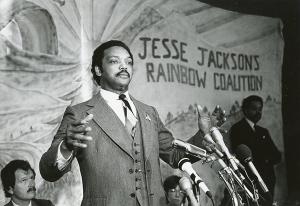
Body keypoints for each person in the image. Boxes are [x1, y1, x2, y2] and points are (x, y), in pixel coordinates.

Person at [39, 40, 223, 206]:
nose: (124, 66)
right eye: (114, 61)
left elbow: (175, 155)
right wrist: (65, 147)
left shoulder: (148, 112)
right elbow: (48, 172)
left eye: (128, 62)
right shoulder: (79, 113)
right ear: (98, 69)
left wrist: (204, 135)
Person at [230, 95, 281, 204]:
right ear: (245, 110)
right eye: (254, 109)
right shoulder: (237, 129)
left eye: (260, 109)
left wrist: (265, 159)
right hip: (250, 180)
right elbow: (241, 154)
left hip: (267, 180)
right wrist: (266, 159)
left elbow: (277, 156)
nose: (258, 112)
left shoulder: (263, 132)